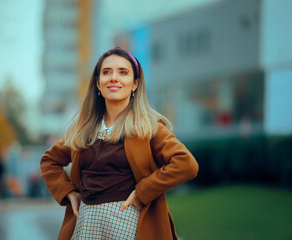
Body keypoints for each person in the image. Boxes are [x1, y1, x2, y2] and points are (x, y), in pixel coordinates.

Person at [40, 47, 198, 240]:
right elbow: (49, 161)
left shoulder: (148, 127)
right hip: (86, 225)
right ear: (98, 84)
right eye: (107, 72)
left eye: (123, 72)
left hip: (129, 224)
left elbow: (186, 164)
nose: (114, 78)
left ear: (135, 84)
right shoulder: (83, 130)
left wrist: (143, 192)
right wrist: (69, 193)